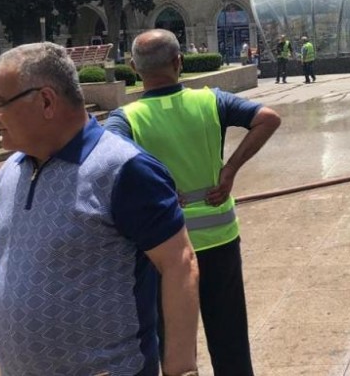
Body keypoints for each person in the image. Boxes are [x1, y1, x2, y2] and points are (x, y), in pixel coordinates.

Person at [0, 43, 199, 376]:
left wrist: (180, 369)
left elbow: (179, 263)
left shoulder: (123, 169)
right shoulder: (10, 172)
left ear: (45, 101)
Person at [103, 30, 282, 376]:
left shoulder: (126, 118)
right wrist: (229, 169)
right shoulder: (211, 101)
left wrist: (158, 186)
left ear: (134, 68)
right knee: (230, 340)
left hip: (163, 253)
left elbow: (106, 159)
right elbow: (268, 118)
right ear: (178, 62)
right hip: (220, 239)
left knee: (173, 349)